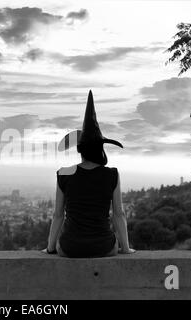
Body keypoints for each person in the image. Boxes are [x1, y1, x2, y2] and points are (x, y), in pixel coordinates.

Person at [43, 90, 135, 257]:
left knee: (62, 244)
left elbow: (58, 215)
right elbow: (118, 214)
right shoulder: (111, 174)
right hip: (104, 247)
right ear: (101, 148)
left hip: (69, 248)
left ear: (79, 149)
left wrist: (50, 248)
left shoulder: (64, 174)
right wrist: (126, 249)